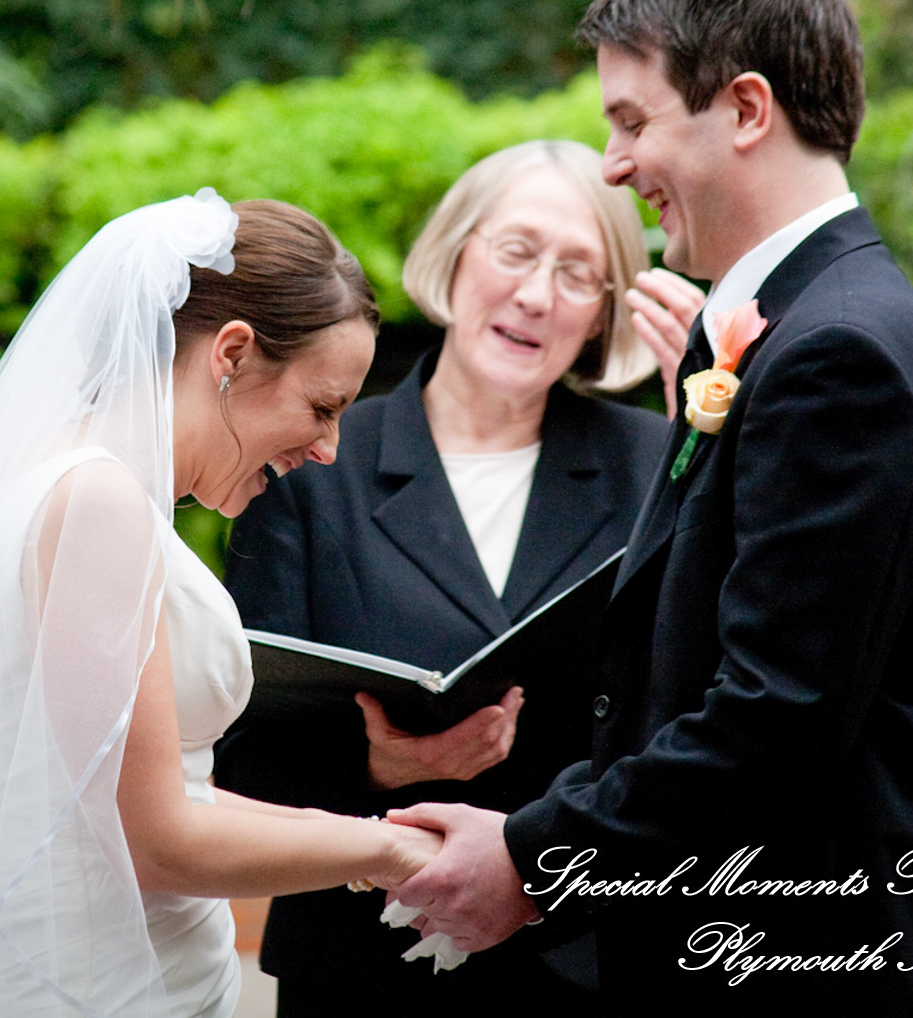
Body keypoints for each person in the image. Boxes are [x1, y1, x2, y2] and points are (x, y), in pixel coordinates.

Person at [389, 0, 913, 1015]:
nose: (612, 163)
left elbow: (774, 718)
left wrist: (531, 858)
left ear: (745, 110)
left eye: (632, 121)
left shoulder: (841, 354)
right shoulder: (799, 327)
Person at [0, 192, 440, 1018]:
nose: (329, 449)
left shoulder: (70, 480)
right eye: (322, 406)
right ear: (231, 352)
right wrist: (392, 850)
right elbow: (158, 839)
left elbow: (128, 791)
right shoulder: (99, 503)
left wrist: (367, 838)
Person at [213, 140, 682, 1015]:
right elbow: (236, 762)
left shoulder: (657, 464)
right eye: (517, 250)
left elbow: (696, 722)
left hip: (586, 961)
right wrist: (381, 768)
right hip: (360, 965)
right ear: (456, 252)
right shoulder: (312, 462)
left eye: (580, 273)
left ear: (604, 311)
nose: (539, 294)